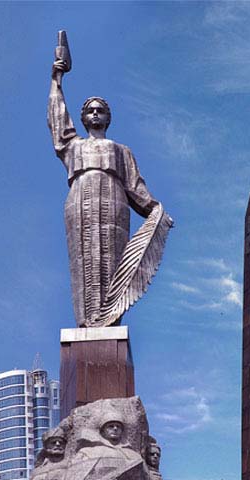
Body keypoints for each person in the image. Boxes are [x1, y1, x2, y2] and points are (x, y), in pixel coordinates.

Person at [48, 56, 172, 327]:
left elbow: (135, 186)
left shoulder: (121, 151)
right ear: (83, 118)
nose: (95, 114)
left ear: (108, 118)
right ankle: (86, 320)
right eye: (90, 111)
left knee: (112, 258)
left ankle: (109, 319)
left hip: (115, 200)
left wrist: (154, 209)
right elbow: (58, 122)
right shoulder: (73, 146)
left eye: (100, 110)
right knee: (83, 257)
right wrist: (57, 80)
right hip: (80, 198)